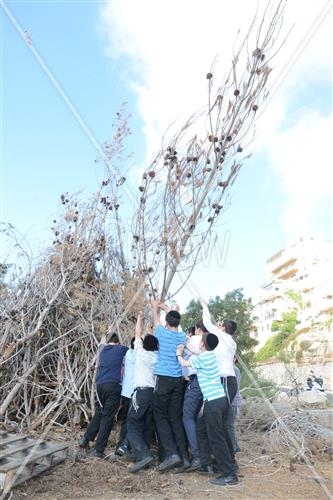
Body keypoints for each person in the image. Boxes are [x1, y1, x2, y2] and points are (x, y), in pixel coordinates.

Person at [176, 333, 239, 486]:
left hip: (214, 402)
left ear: (203, 344)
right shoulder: (212, 355)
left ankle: (229, 474)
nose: (199, 343)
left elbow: (184, 363)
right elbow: (198, 354)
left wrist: (179, 352)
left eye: (200, 341)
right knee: (201, 428)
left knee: (216, 437)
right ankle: (208, 464)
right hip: (217, 399)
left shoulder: (203, 358)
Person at [152, 300, 189, 472]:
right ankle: (185, 458)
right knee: (175, 418)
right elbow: (173, 322)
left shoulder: (161, 332)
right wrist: (171, 310)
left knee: (160, 416)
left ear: (166, 322)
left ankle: (171, 453)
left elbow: (155, 320)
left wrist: (154, 306)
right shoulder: (182, 337)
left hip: (163, 379)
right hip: (177, 380)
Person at [79, 333, 128, 458]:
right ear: (118, 342)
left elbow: (101, 342)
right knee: (107, 417)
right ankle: (98, 450)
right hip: (113, 386)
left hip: (100, 385)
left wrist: (107, 333)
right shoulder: (122, 349)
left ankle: (86, 438)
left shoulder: (102, 349)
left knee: (100, 413)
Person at [127, 312, 159, 473]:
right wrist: (151, 331)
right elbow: (150, 340)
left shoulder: (140, 352)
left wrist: (139, 317)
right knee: (147, 424)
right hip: (154, 394)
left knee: (132, 423)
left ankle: (142, 455)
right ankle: (144, 453)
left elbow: (137, 334)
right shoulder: (157, 356)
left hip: (141, 393)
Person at [182, 320, 208, 471]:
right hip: (208, 382)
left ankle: (197, 456)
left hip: (195, 381)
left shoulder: (194, 340)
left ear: (198, 329)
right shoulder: (212, 340)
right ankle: (205, 456)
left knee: (187, 417)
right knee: (200, 418)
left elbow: (184, 357)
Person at [115, 336, 136, 456]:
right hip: (134, 392)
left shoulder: (127, 353)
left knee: (126, 420)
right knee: (133, 420)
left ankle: (121, 445)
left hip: (125, 392)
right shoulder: (140, 355)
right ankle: (125, 446)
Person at [224, 357, 242, 454]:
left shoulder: (234, 370)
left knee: (229, 425)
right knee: (229, 425)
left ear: (235, 358)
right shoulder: (232, 370)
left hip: (233, 402)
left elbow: (234, 387)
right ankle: (236, 446)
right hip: (232, 401)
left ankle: (233, 448)